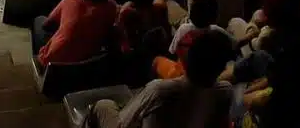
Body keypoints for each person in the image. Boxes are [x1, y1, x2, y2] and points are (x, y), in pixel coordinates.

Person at [87, 24, 235, 128]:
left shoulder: (160, 90)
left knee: (103, 105)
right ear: (221, 67)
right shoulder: (225, 92)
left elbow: (123, 124)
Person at [32, 0, 119, 67]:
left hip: (52, 63)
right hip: (87, 65)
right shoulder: (111, 7)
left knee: (39, 20)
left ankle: (37, 59)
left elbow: (47, 25)